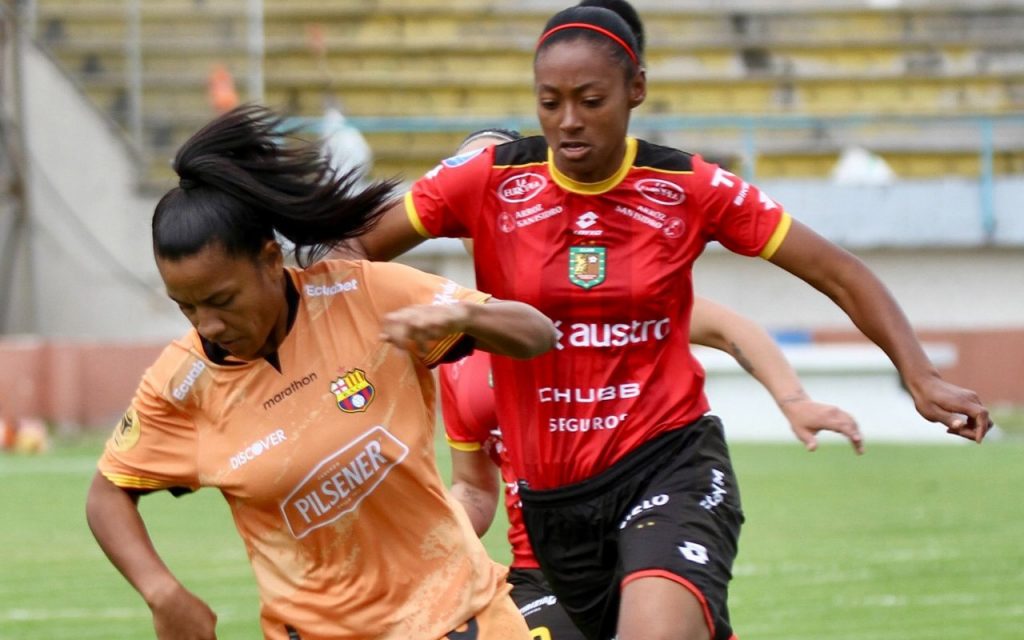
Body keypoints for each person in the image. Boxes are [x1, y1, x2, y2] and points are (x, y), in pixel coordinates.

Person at [347, 3, 991, 639]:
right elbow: (351, 254)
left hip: (669, 462)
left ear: (637, 91)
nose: (568, 122)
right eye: (550, 102)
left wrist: (921, 377)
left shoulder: (690, 186)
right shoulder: (490, 180)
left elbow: (837, 270)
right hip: (556, 505)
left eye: (590, 100)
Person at [84, 105, 556, 640]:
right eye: (186, 307)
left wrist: (465, 314)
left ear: (268, 260)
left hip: (464, 621)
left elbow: (537, 333)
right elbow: (107, 494)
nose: (208, 324)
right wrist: (163, 593)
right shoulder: (182, 385)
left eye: (222, 300)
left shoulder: (364, 295)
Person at [439, 129, 862, 640]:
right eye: (458, 173)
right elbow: (473, 488)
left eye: (484, 170)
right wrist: (424, 533)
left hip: (641, 525)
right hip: (542, 565)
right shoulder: (454, 347)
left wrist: (795, 401)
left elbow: (730, 327)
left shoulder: (587, 294)